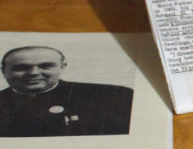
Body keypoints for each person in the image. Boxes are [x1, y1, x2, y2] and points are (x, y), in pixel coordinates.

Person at [0, 46, 133, 137]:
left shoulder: (111, 96)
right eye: (21, 68)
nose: (34, 73)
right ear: (3, 71)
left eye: (45, 66)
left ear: (62, 67)